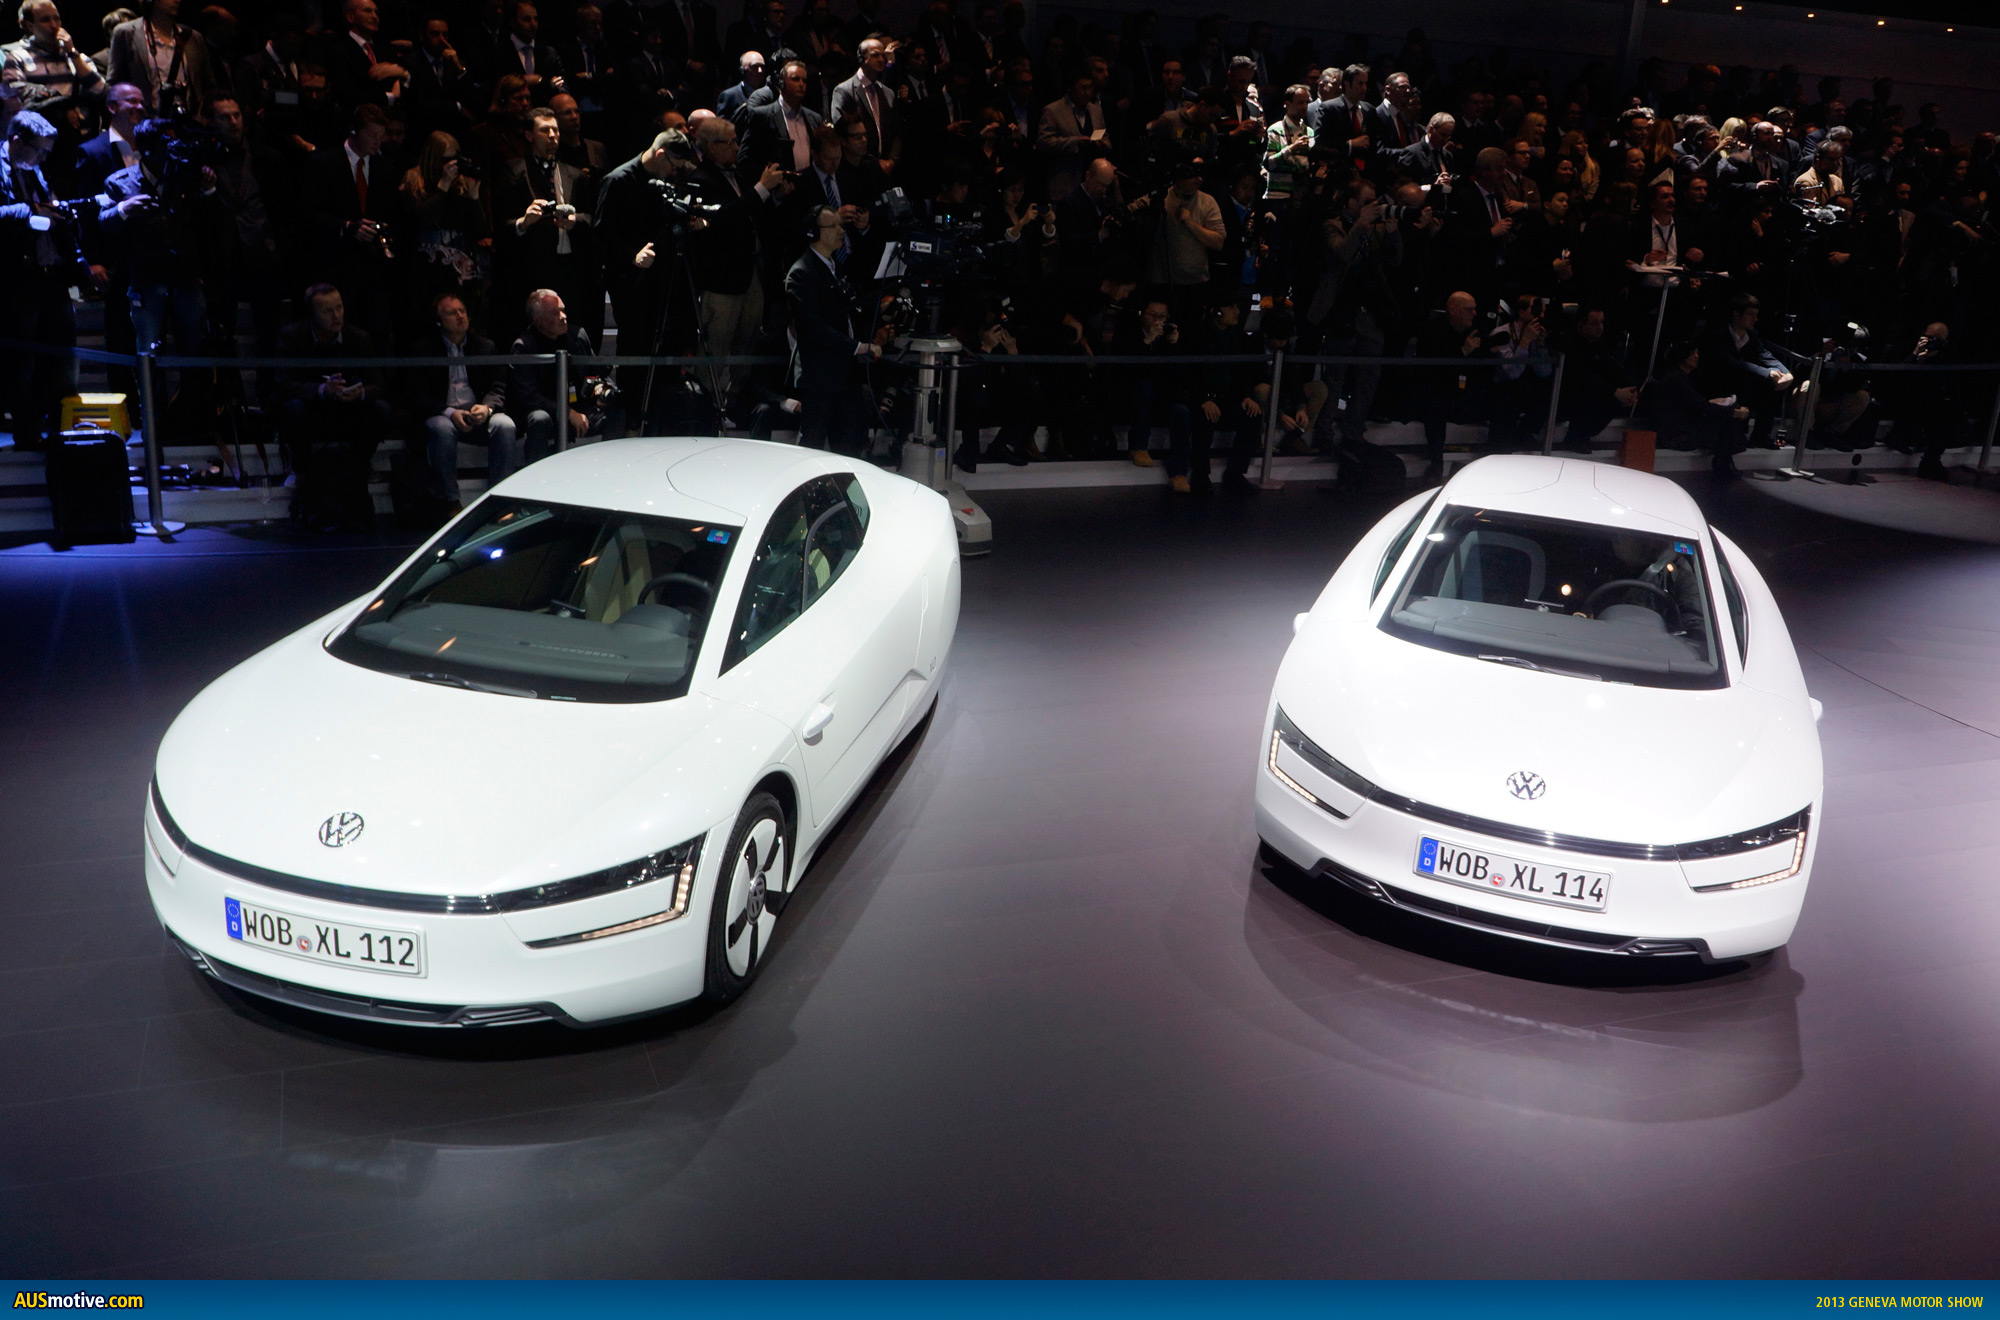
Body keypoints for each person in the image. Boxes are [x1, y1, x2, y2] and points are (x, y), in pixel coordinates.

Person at [687, 115, 789, 420]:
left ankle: (736, 402)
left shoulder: (740, 174)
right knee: (716, 345)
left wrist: (775, 195)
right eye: (729, 142)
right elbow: (724, 217)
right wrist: (761, 189)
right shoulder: (699, 178)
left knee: (748, 344)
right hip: (721, 279)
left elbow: (754, 212)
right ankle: (704, 408)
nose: (736, 147)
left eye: (736, 140)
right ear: (710, 146)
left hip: (751, 272)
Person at [0, 109, 87, 451]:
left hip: (52, 275)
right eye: (40, 150)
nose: (43, 158)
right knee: (22, 361)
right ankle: (27, 429)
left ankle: (59, 425)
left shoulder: (35, 168)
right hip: (17, 280)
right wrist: (31, 212)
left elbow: (50, 213)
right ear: (16, 141)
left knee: (62, 356)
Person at [274, 283, 393, 531]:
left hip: (349, 409)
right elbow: (283, 384)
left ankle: (360, 466)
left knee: (380, 409)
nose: (336, 315)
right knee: (292, 408)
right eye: (328, 311)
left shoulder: (359, 338)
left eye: (339, 308)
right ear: (312, 314)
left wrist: (360, 392)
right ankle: (301, 469)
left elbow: (379, 385)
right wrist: (321, 390)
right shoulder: (292, 336)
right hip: (313, 408)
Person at [495, 104, 598, 343]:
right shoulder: (514, 171)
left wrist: (575, 221)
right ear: (529, 135)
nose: (552, 136)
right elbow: (502, 224)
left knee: (571, 331)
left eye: (555, 130)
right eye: (544, 130)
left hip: (568, 267)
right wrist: (524, 222)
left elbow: (592, 217)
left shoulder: (574, 174)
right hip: (531, 268)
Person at [785, 203, 883, 453]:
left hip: (845, 376)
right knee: (812, 449)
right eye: (834, 226)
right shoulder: (801, 273)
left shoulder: (835, 267)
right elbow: (814, 328)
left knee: (848, 449)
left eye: (841, 225)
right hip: (819, 379)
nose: (841, 231)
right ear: (814, 232)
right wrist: (857, 347)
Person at [406, 292, 517, 508]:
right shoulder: (424, 349)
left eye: (462, 311)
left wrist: (487, 407)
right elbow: (416, 394)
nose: (460, 316)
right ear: (439, 321)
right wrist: (449, 412)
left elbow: (498, 384)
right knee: (442, 428)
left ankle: (501, 501)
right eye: (452, 313)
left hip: (477, 411)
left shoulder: (485, 346)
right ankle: (451, 501)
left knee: (505, 425)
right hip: (443, 412)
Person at [1635, 339, 1750, 476]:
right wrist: (1735, 413)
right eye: (1692, 354)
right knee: (1728, 415)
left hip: (1677, 429)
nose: (1696, 356)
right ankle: (1724, 460)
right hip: (1675, 435)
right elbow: (1700, 406)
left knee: (1727, 412)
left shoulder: (1678, 378)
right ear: (1681, 357)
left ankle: (1724, 459)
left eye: (1697, 353)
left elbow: (1694, 403)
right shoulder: (1676, 380)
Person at [508, 287, 595, 461]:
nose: (563, 317)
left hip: (577, 406)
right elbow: (529, 397)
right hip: (546, 411)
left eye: (563, 310)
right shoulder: (523, 346)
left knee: (615, 412)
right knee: (538, 418)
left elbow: (596, 372)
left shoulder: (577, 336)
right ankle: (536, 473)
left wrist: (601, 388)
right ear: (537, 319)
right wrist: (567, 412)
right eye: (555, 313)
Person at [106, 0, 217, 114]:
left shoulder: (193, 37)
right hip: (144, 119)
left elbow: (208, 85)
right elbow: (114, 84)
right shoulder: (126, 33)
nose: (177, 0)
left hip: (189, 118)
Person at [2, 1, 104, 109]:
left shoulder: (76, 57)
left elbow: (100, 90)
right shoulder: (18, 58)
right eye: (45, 20)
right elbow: (12, 90)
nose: (54, 25)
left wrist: (73, 54)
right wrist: (58, 102)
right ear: (30, 26)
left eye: (57, 19)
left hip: (80, 119)